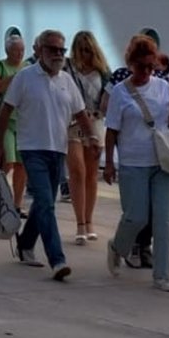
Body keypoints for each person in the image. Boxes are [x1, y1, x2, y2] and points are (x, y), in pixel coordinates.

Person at [0, 30, 92, 282]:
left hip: (57, 149)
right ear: (39, 50)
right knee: (47, 203)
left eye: (61, 50)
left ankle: (26, 244)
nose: (58, 54)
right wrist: (0, 146)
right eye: (52, 49)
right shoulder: (24, 78)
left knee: (42, 203)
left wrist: (91, 138)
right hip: (31, 148)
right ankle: (57, 260)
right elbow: (5, 112)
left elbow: (81, 112)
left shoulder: (67, 81)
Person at [102, 34, 169, 290]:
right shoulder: (120, 92)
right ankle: (118, 246)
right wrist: (110, 163)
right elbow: (111, 129)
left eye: (151, 66)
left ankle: (162, 275)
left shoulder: (163, 87)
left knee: (164, 219)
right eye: (141, 66)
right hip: (133, 160)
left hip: (163, 159)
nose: (146, 71)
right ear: (130, 64)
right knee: (136, 216)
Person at [65, 31, 109, 244]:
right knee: (77, 171)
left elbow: (108, 97)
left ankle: (89, 221)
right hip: (72, 123)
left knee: (91, 174)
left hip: (95, 122)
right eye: (82, 50)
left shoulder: (103, 72)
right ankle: (80, 223)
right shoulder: (68, 69)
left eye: (89, 50)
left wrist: (102, 111)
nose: (86, 55)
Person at [0, 33, 27, 208]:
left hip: (23, 122)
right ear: (8, 51)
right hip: (5, 121)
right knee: (7, 162)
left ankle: (17, 204)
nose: (19, 54)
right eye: (15, 50)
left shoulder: (27, 67)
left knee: (21, 164)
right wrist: (14, 79)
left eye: (22, 50)